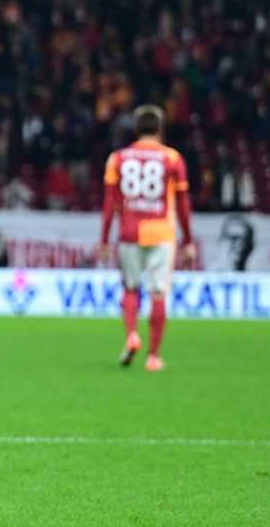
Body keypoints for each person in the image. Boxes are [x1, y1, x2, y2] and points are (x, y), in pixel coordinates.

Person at [99, 105, 194, 372]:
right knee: (158, 293)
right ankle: (153, 356)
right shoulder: (172, 158)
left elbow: (109, 203)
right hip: (161, 233)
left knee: (130, 288)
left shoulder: (117, 158)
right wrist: (188, 239)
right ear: (160, 128)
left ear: (135, 127)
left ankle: (132, 334)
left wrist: (104, 239)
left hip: (129, 231)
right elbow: (183, 204)